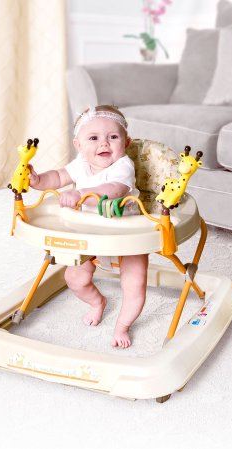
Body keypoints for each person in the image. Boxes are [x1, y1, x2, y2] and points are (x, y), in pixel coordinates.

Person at [29, 105, 148, 348]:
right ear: (79, 145)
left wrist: (80, 194)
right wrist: (38, 180)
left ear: (126, 142)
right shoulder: (81, 164)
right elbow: (58, 177)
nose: (103, 143)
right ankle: (97, 302)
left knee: (135, 284)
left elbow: (113, 190)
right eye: (93, 138)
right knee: (74, 278)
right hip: (90, 235)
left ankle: (123, 325)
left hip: (127, 236)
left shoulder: (122, 166)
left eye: (112, 137)